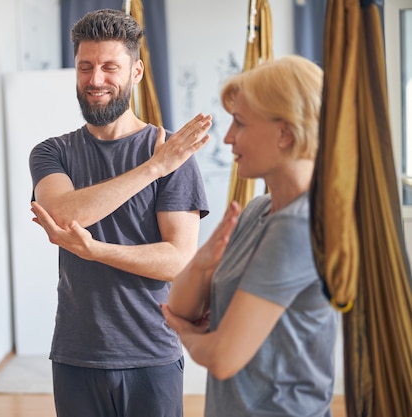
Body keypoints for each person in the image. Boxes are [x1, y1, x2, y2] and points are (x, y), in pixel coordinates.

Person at [28, 8, 211, 417]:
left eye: (110, 67)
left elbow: (176, 260)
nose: (95, 80)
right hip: (77, 356)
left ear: (136, 72)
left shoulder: (173, 153)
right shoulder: (52, 152)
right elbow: (61, 211)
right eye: (85, 67)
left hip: (151, 354)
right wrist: (153, 169)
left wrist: (97, 251)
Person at [161, 55, 339, 417]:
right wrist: (202, 263)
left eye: (239, 124)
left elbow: (223, 358)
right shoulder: (258, 210)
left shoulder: (299, 226)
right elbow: (180, 308)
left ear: (285, 133)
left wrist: (189, 337)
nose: (227, 138)